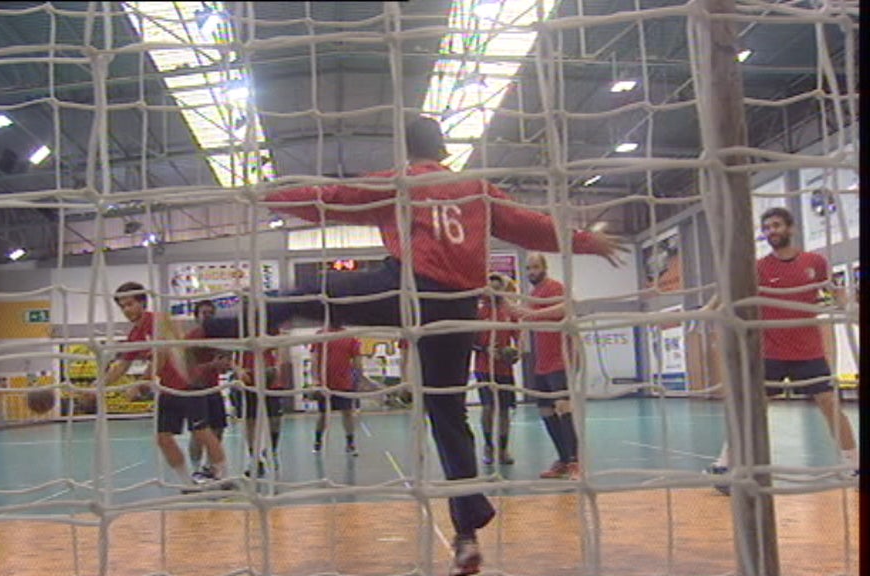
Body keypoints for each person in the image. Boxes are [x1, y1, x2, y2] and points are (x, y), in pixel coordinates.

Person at [202, 117, 626, 576]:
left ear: (406, 152)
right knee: (448, 416)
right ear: (444, 149)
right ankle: (466, 536)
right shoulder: (478, 189)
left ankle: (218, 331)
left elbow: (332, 199)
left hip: (406, 289)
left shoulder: (401, 182)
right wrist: (587, 241)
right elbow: (532, 226)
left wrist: (265, 195)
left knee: (312, 296)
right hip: (459, 308)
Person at [706, 207, 859, 490]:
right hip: (770, 353)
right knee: (752, 411)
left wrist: (849, 307)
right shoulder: (759, 267)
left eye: (776, 225)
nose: (771, 231)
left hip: (808, 352)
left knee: (830, 406)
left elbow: (835, 292)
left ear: (790, 228)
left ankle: (854, 466)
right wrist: (707, 310)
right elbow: (727, 288)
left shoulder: (815, 262)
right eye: (766, 228)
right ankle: (725, 464)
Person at [102, 282, 231, 487]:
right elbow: (122, 366)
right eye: (122, 306)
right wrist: (96, 387)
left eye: (130, 304)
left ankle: (225, 478)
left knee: (202, 432)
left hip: (189, 384)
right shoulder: (134, 335)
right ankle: (187, 484)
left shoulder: (160, 321)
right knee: (163, 437)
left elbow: (161, 354)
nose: (127, 310)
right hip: (169, 389)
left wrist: (142, 383)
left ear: (143, 303)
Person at [509, 253, 581, 480]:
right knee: (545, 411)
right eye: (528, 268)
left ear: (545, 267)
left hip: (562, 359)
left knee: (563, 407)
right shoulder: (532, 295)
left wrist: (531, 312)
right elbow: (527, 320)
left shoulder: (555, 287)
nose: (531, 272)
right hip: (542, 363)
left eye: (535, 267)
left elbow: (565, 309)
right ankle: (562, 459)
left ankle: (575, 463)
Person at [473, 273, 520, 466]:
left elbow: (519, 338)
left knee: (504, 411)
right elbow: (468, 341)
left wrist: (514, 353)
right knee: (488, 408)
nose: (495, 291)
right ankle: (488, 447)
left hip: (504, 370)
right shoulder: (478, 312)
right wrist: (485, 349)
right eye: (491, 287)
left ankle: (503, 449)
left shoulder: (509, 312)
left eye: (498, 287)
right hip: (484, 368)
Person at [229, 338, 286, 477]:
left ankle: (271, 450)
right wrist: (239, 370)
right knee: (250, 421)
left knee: (275, 420)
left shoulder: (269, 325)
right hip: (248, 380)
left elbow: (280, 346)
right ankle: (255, 459)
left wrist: (277, 367)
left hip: (269, 379)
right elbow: (229, 356)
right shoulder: (238, 328)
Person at [185, 300, 229, 475]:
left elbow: (225, 361)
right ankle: (195, 471)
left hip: (213, 389)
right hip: (195, 390)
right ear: (196, 317)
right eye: (204, 313)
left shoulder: (219, 338)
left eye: (211, 313)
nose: (208, 316)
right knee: (198, 432)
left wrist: (229, 364)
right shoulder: (190, 339)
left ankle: (211, 468)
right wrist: (212, 365)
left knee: (218, 429)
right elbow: (188, 370)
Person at [310, 320, 364, 456]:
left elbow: (357, 361)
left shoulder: (350, 337)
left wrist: (357, 380)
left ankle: (350, 443)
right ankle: (318, 442)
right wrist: (315, 380)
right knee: (323, 415)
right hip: (324, 384)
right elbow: (315, 359)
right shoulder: (320, 335)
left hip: (344, 384)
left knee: (347, 413)